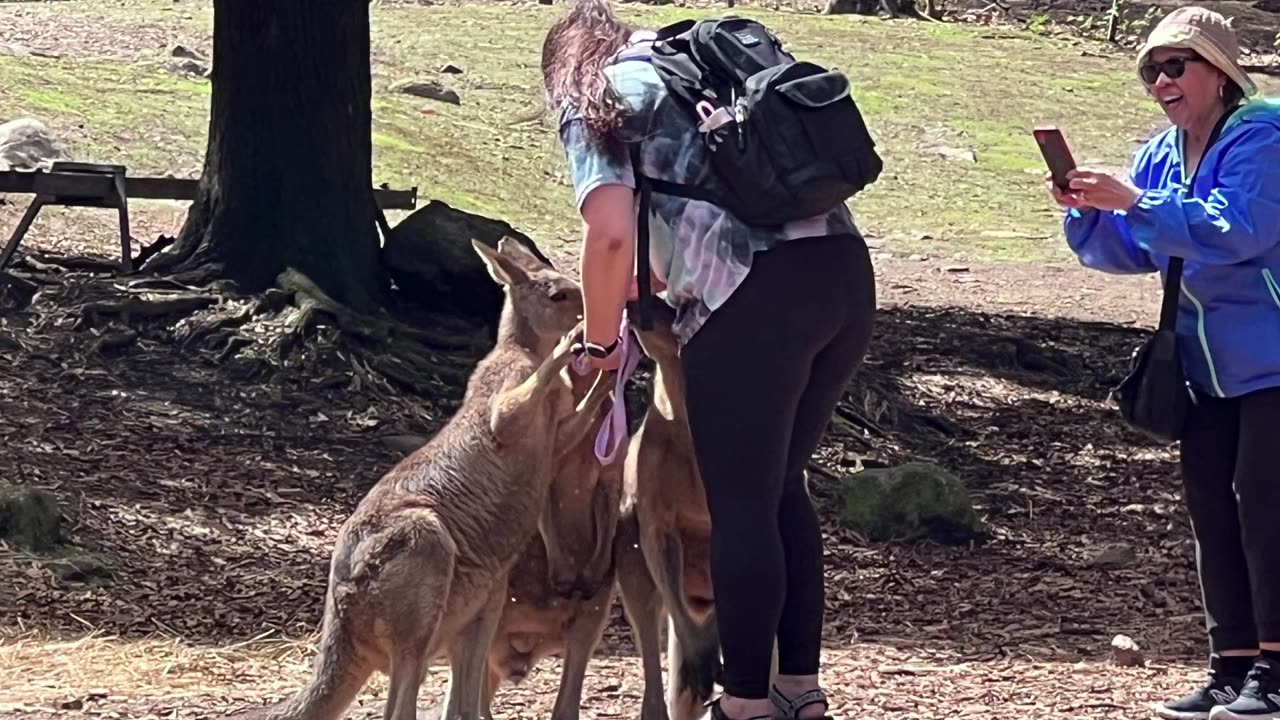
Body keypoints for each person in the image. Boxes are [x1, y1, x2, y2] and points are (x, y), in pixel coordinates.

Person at [540, 2, 877, 719]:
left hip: (749, 296)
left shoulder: (595, 93)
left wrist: (601, 348)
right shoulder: (698, 68)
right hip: (843, 276)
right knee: (783, 487)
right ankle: (798, 694)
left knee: (742, 504)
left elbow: (607, 233)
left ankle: (746, 704)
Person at [1047, 7, 1280, 720]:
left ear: (1220, 70)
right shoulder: (1160, 150)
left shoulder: (1264, 138)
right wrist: (1087, 211)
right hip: (1202, 365)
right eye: (1152, 70)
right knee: (1212, 508)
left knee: (1265, 510)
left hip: (1273, 359)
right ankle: (1230, 665)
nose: (1162, 81)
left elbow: (1239, 230)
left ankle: (1276, 672)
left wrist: (1137, 202)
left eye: (1177, 65)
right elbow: (1129, 251)